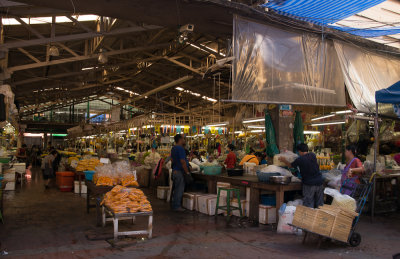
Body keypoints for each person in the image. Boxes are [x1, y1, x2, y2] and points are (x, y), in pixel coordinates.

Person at [279, 143, 323, 208]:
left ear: (299, 151)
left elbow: (290, 165)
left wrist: (284, 160)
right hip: (319, 182)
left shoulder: (300, 159)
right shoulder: (312, 155)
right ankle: (320, 217)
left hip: (309, 184)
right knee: (320, 204)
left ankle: (309, 217)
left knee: (308, 203)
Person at [170, 134, 190, 211]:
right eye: (183, 139)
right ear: (180, 139)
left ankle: (175, 204)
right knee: (179, 190)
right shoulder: (180, 149)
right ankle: (176, 206)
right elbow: (183, 162)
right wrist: (187, 172)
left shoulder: (174, 148)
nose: (184, 140)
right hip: (179, 172)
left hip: (174, 171)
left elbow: (172, 159)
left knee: (176, 189)